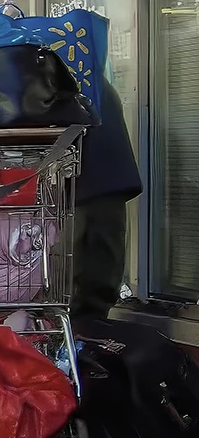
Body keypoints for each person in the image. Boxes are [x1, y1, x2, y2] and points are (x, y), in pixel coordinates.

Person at [72, 78, 141, 320]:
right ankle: (91, 330)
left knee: (65, 275)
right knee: (100, 270)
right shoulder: (93, 76)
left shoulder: (49, 69)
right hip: (108, 179)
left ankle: (77, 335)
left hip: (77, 182)